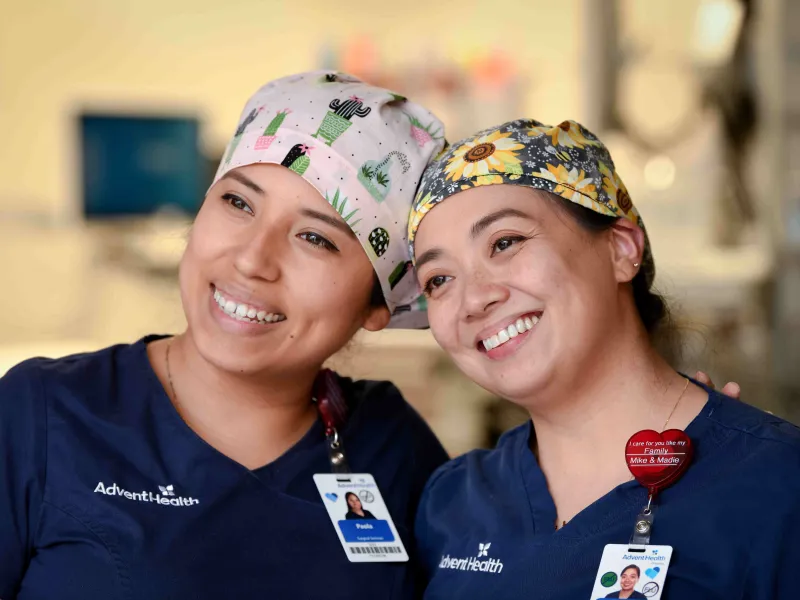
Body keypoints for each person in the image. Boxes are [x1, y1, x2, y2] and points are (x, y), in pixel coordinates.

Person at [0, 71, 450, 600]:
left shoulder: (393, 447)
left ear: (379, 303)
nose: (252, 259)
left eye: (314, 237)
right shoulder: (44, 414)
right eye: (239, 203)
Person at [408, 119, 800, 598]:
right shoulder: (451, 502)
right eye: (438, 280)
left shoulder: (778, 485)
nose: (473, 299)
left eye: (505, 243)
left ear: (620, 248)